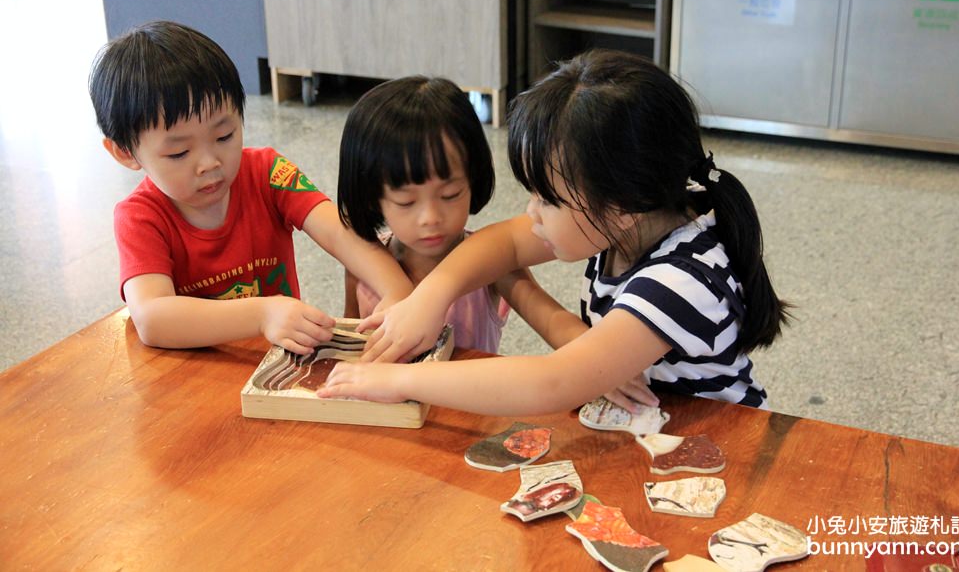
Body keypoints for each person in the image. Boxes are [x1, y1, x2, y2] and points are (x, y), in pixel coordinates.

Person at [318, 49, 789, 415]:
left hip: (717, 444)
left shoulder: (677, 282)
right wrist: (429, 296)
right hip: (650, 426)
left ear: (620, 204)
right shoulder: (629, 222)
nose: (532, 214)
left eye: (548, 198)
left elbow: (550, 383)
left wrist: (396, 381)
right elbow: (499, 243)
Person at [89, 21, 412, 354]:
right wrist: (261, 313)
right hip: (193, 378)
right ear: (125, 152)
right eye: (179, 152)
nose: (210, 162)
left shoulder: (267, 172)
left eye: (224, 136)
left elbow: (339, 232)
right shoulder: (140, 217)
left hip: (278, 365)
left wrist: (397, 290)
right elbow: (152, 318)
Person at [336, 75, 562, 353]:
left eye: (450, 195)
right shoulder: (362, 265)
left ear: (473, 180)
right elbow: (349, 344)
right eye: (406, 202)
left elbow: (552, 321)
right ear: (373, 198)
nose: (430, 217)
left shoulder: (492, 265)